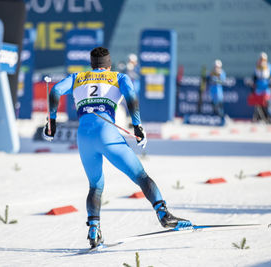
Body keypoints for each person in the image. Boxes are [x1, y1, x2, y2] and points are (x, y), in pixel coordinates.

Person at [43, 47, 192, 248]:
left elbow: (54, 90)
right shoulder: (118, 76)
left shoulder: (78, 76)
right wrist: (138, 127)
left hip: (84, 136)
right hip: (107, 132)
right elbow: (131, 96)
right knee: (141, 176)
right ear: (109, 64)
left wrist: (51, 123)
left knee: (95, 185)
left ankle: (93, 229)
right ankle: (163, 214)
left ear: (92, 65)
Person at [252, 52, 271, 123]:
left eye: (264, 59)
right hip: (258, 88)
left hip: (266, 87)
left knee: (266, 103)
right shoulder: (256, 66)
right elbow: (254, 77)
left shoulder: (269, 66)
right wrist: (254, 84)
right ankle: (258, 118)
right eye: (261, 59)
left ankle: (268, 117)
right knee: (258, 104)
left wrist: (270, 84)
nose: (262, 60)